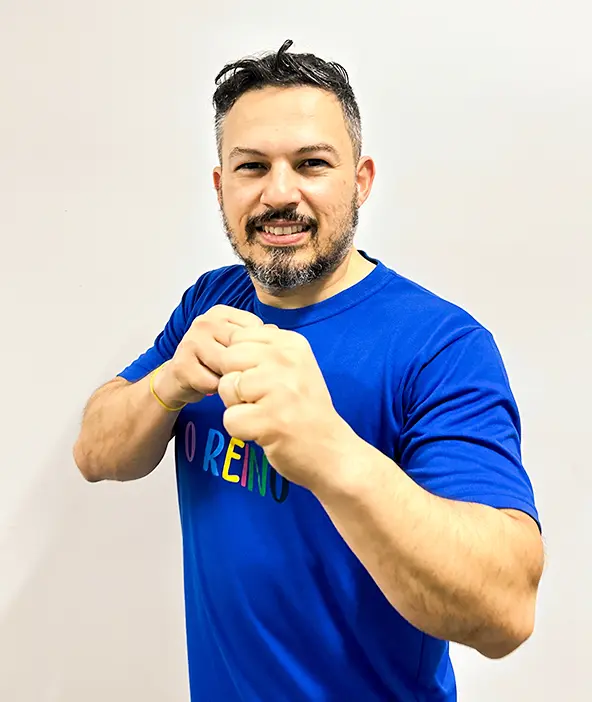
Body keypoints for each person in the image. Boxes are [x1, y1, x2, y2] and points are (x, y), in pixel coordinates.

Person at [73, 39, 544, 702]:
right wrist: (169, 383)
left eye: (311, 164)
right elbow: (95, 453)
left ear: (361, 181)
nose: (279, 192)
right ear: (221, 187)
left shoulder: (440, 346)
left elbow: (505, 611)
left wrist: (328, 451)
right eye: (252, 167)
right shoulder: (210, 303)